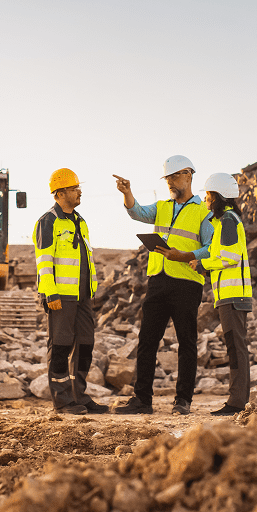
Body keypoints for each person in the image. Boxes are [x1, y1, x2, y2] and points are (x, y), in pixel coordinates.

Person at [113, 155, 213, 415]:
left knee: (186, 343)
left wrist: (187, 256)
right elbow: (137, 213)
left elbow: (210, 247)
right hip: (158, 280)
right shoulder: (162, 206)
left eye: (174, 176)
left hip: (187, 283)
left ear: (188, 176)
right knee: (146, 340)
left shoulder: (203, 212)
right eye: (167, 178)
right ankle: (142, 400)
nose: (169, 182)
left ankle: (183, 401)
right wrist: (127, 193)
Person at [33, 168, 108, 415]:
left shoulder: (80, 221)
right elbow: (44, 260)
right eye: (75, 188)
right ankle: (63, 401)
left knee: (86, 344)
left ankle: (80, 395)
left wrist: (91, 290)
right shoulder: (48, 221)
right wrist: (50, 292)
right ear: (61, 192)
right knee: (61, 345)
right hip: (60, 296)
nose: (79, 192)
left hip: (83, 296)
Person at [191, 172, 252, 416]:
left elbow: (229, 257)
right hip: (230, 296)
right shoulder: (225, 221)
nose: (205, 201)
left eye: (207, 196)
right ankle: (237, 400)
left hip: (234, 296)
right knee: (235, 348)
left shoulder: (228, 220)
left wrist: (205, 265)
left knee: (236, 349)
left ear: (217, 196)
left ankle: (237, 403)